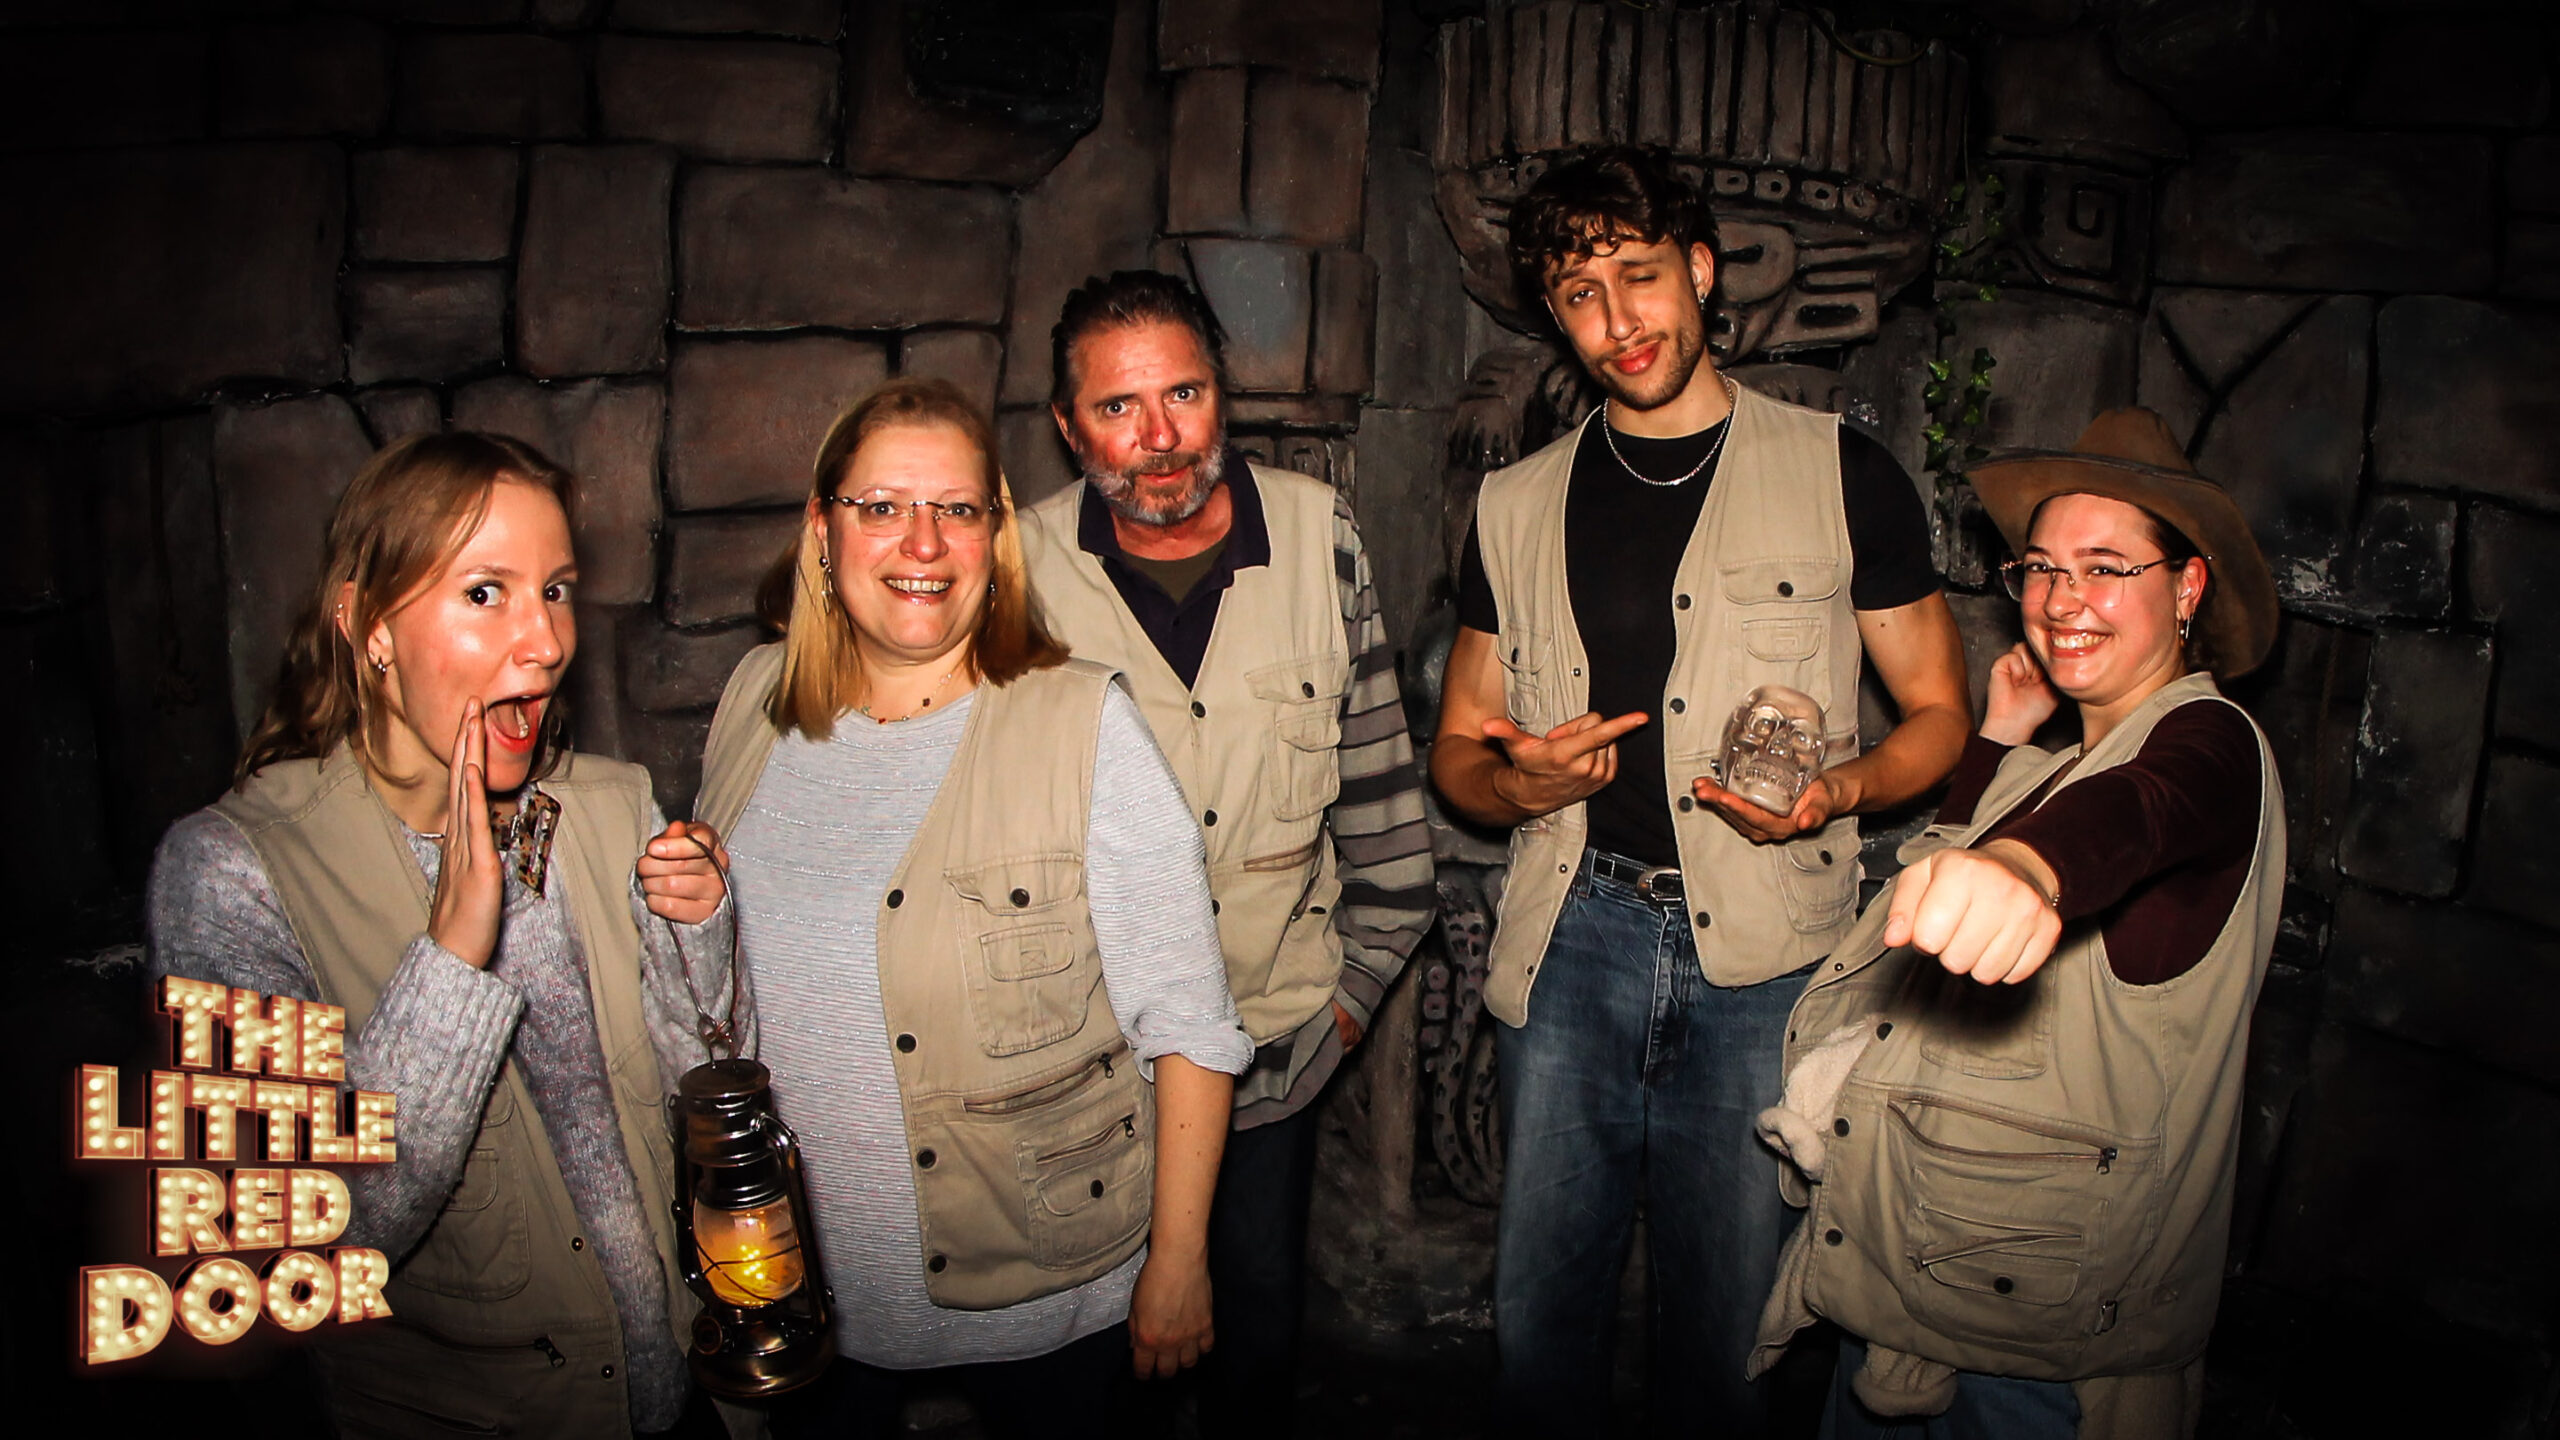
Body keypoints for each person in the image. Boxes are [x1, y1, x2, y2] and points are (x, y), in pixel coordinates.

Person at [1428, 147, 1973, 1436]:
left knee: (1731, 1341)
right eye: (1579, 293)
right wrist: (1516, 777)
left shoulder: (1843, 473)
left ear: (1702, 271)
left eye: (1639, 274)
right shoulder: (1512, 506)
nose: (1617, 319)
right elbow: (1457, 752)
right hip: (1569, 945)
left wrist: (1837, 788)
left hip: (1766, 959)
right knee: (1539, 1324)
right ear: (1553, 316)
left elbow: (1941, 717)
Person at [146, 432, 745, 1439]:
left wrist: (704, 935)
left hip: (688, 1403)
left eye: (555, 590)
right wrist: (452, 959)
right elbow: (285, 1251)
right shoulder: (231, 873)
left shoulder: (610, 807)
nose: (545, 642)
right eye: (485, 592)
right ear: (368, 624)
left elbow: (711, 1095)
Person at [691, 377, 1253, 1439]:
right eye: (881, 506)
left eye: (956, 508)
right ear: (822, 529)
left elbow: (1188, 1023)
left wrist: (1179, 1261)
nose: (923, 541)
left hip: (1046, 1296)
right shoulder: (752, 703)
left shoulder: (1084, 728)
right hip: (805, 1289)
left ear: (994, 538)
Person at [1747, 408, 2286, 1440]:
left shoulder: (2211, 740)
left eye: (2105, 568)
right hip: (1909, 1273)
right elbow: (1963, 845)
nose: (2060, 599)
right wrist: (1997, 740)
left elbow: (2143, 809)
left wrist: (2026, 869)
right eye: (2040, 569)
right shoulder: (2061, 760)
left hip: (2035, 1354)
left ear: (2187, 587)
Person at [1016, 270, 1436, 1437]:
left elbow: (1384, 801)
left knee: (1255, 1349)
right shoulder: (1016, 569)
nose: (1158, 438)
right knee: (1099, 1375)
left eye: (1184, 395)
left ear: (1222, 396)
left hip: (1272, 1059)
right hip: (1085, 1081)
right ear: (1068, 427)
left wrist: (1344, 1008)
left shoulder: (1316, 533)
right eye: (1117, 407)